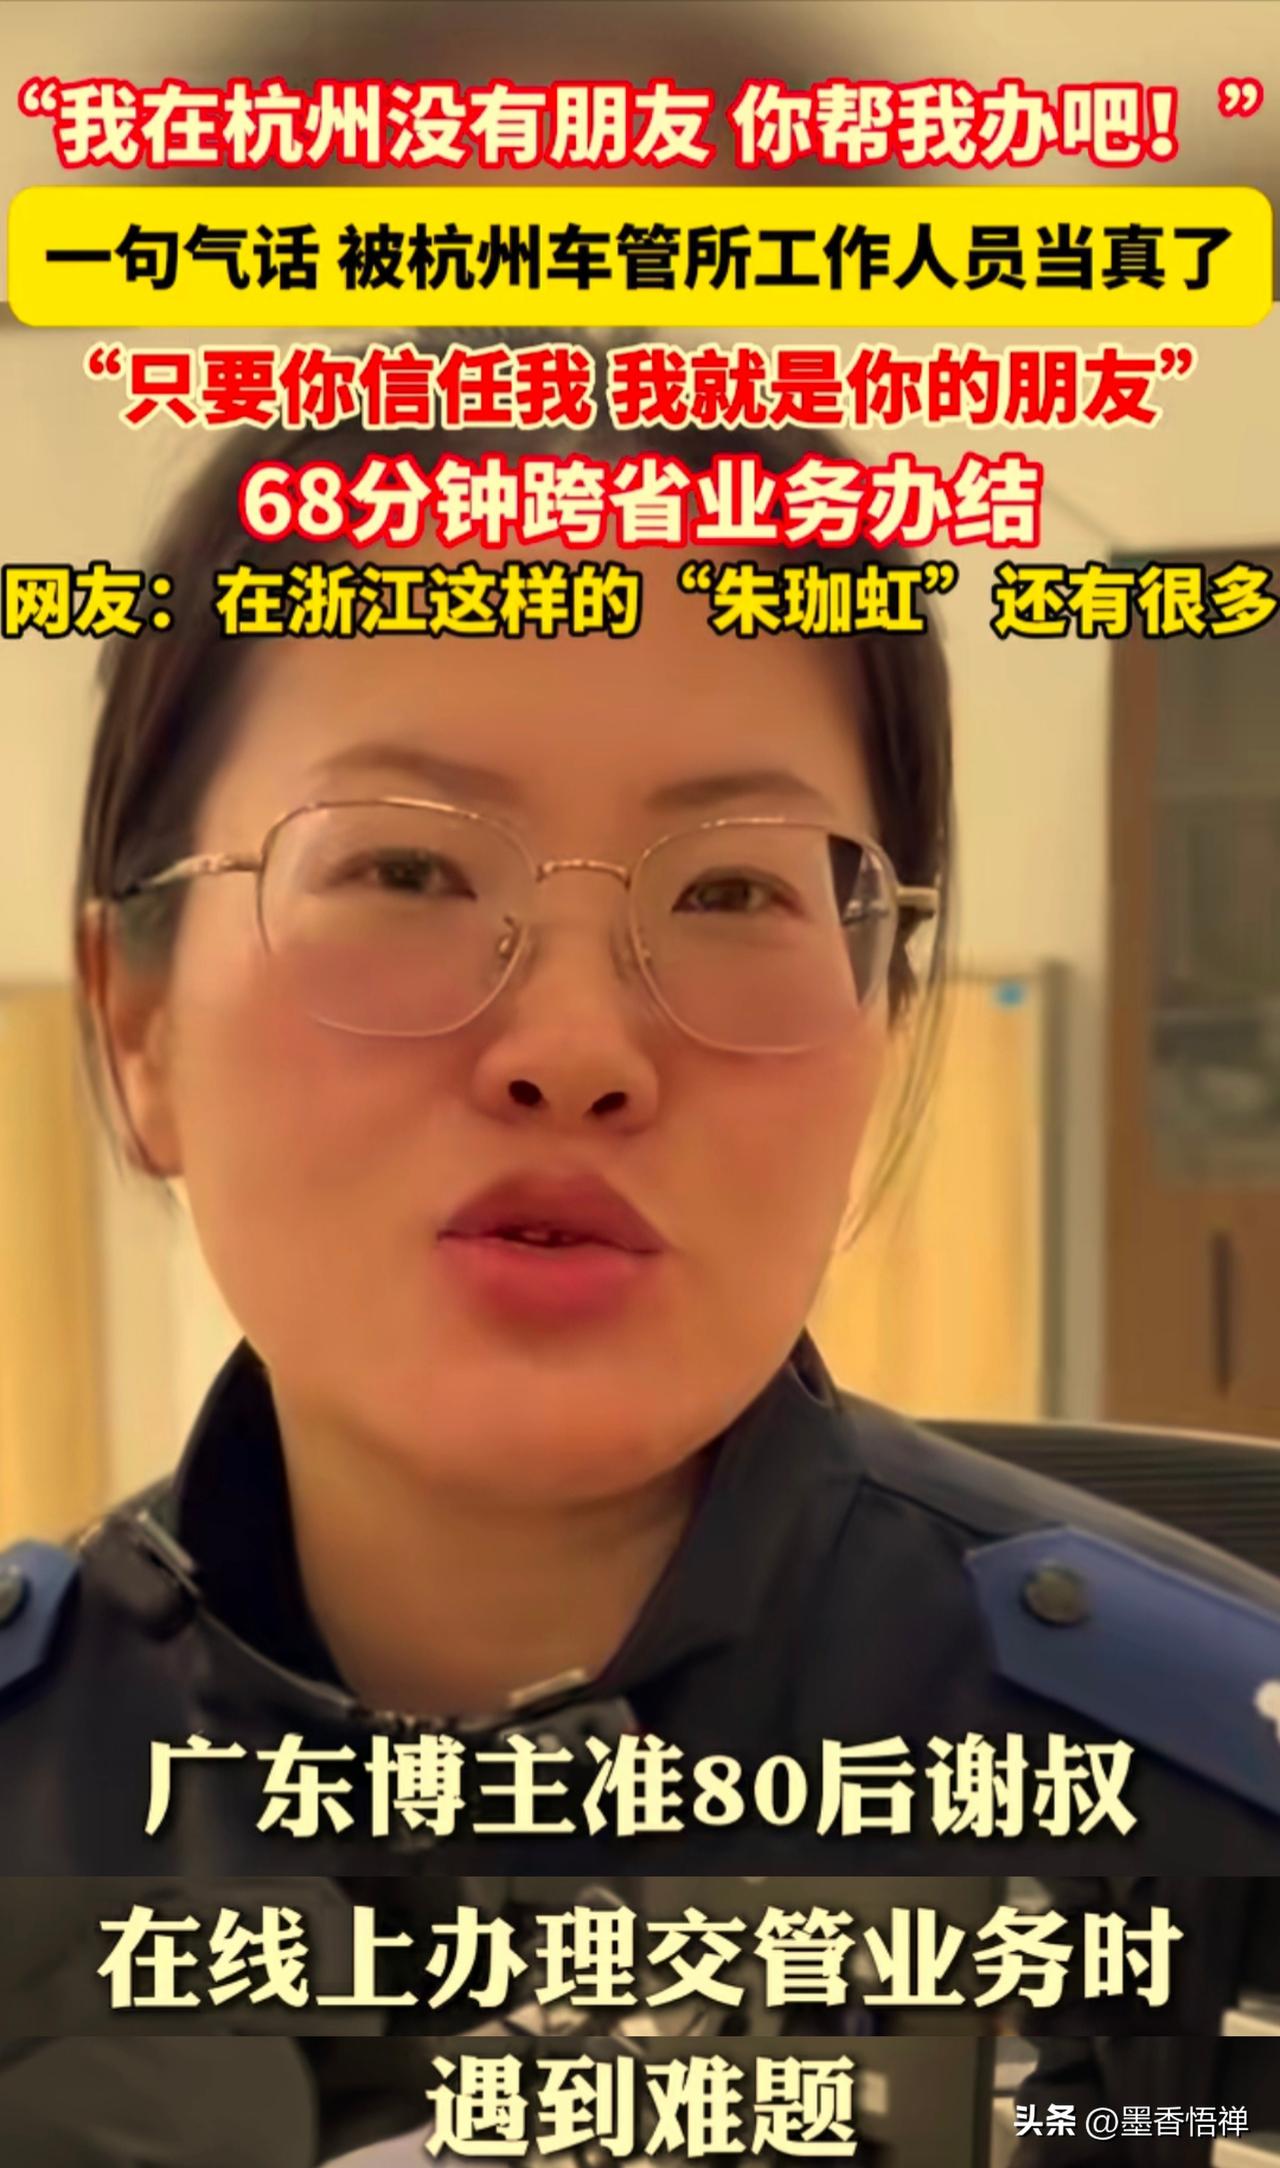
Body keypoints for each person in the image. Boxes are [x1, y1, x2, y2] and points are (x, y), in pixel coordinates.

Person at [2, 336, 1280, 1877]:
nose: (576, 1048)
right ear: (138, 1024)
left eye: (734, 890)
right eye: (406, 869)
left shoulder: (1216, 1814)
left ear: (877, 1027)